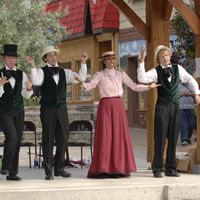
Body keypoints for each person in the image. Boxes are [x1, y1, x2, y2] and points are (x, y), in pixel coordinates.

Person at [75, 51, 160, 178]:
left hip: (118, 107)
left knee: (118, 137)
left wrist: (148, 87)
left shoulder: (121, 74)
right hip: (105, 107)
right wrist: (82, 83)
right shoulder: (99, 75)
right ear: (103, 61)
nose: (111, 61)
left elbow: (134, 86)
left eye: (113, 59)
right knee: (105, 137)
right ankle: (103, 169)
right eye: (108, 59)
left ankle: (118, 168)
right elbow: (90, 85)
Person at [25, 46, 88, 180]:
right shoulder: (41, 72)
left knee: (64, 137)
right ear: (45, 58)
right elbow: (35, 81)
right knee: (48, 139)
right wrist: (33, 66)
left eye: (55, 55)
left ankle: (59, 168)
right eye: (50, 56)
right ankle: (48, 171)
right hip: (47, 109)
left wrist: (83, 62)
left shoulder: (65, 72)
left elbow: (81, 77)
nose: (53, 58)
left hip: (62, 108)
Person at [137, 45, 200, 178]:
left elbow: (190, 80)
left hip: (175, 106)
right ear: (158, 59)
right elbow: (142, 78)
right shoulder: (156, 71)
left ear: (169, 56)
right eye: (162, 56)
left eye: (166, 55)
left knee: (173, 138)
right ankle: (157, 168)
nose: (165, 58)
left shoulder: (178, 69)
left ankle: (171, 168)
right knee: (160, 137)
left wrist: (197, 93)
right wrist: (142, 60)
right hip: (162, 107)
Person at [0, 44, 33, 181]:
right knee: (12, 137)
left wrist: (30, 89)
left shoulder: (22, 74)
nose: (11, 61)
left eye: (13, 58)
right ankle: (5, 166)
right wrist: (0, 85)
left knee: (17, 140)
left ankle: (12, 173)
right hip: (4, 111)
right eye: (8, 58)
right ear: (4, 60)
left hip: (19, 111)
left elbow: (25, 95)